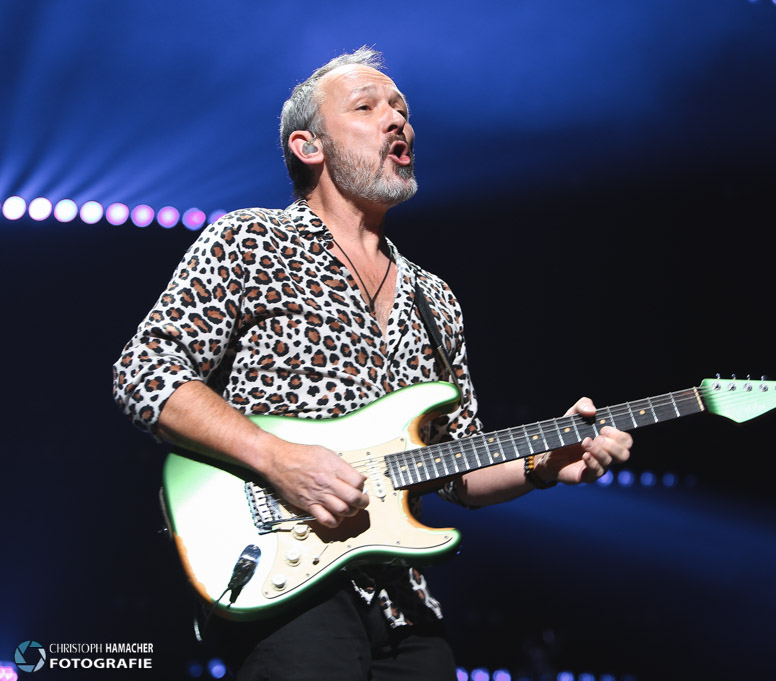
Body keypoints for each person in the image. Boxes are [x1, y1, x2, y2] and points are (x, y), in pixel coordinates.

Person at [112, 46, 633, 680]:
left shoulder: (434, 298)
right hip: (281, 575)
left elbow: (457, 469)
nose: (397, 120)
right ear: (309, 146)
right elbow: (147, 371)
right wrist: (277, 459)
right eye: (367, 107)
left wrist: (543, 465)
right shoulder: (250, 241)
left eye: (401, 109)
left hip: (402, 601)